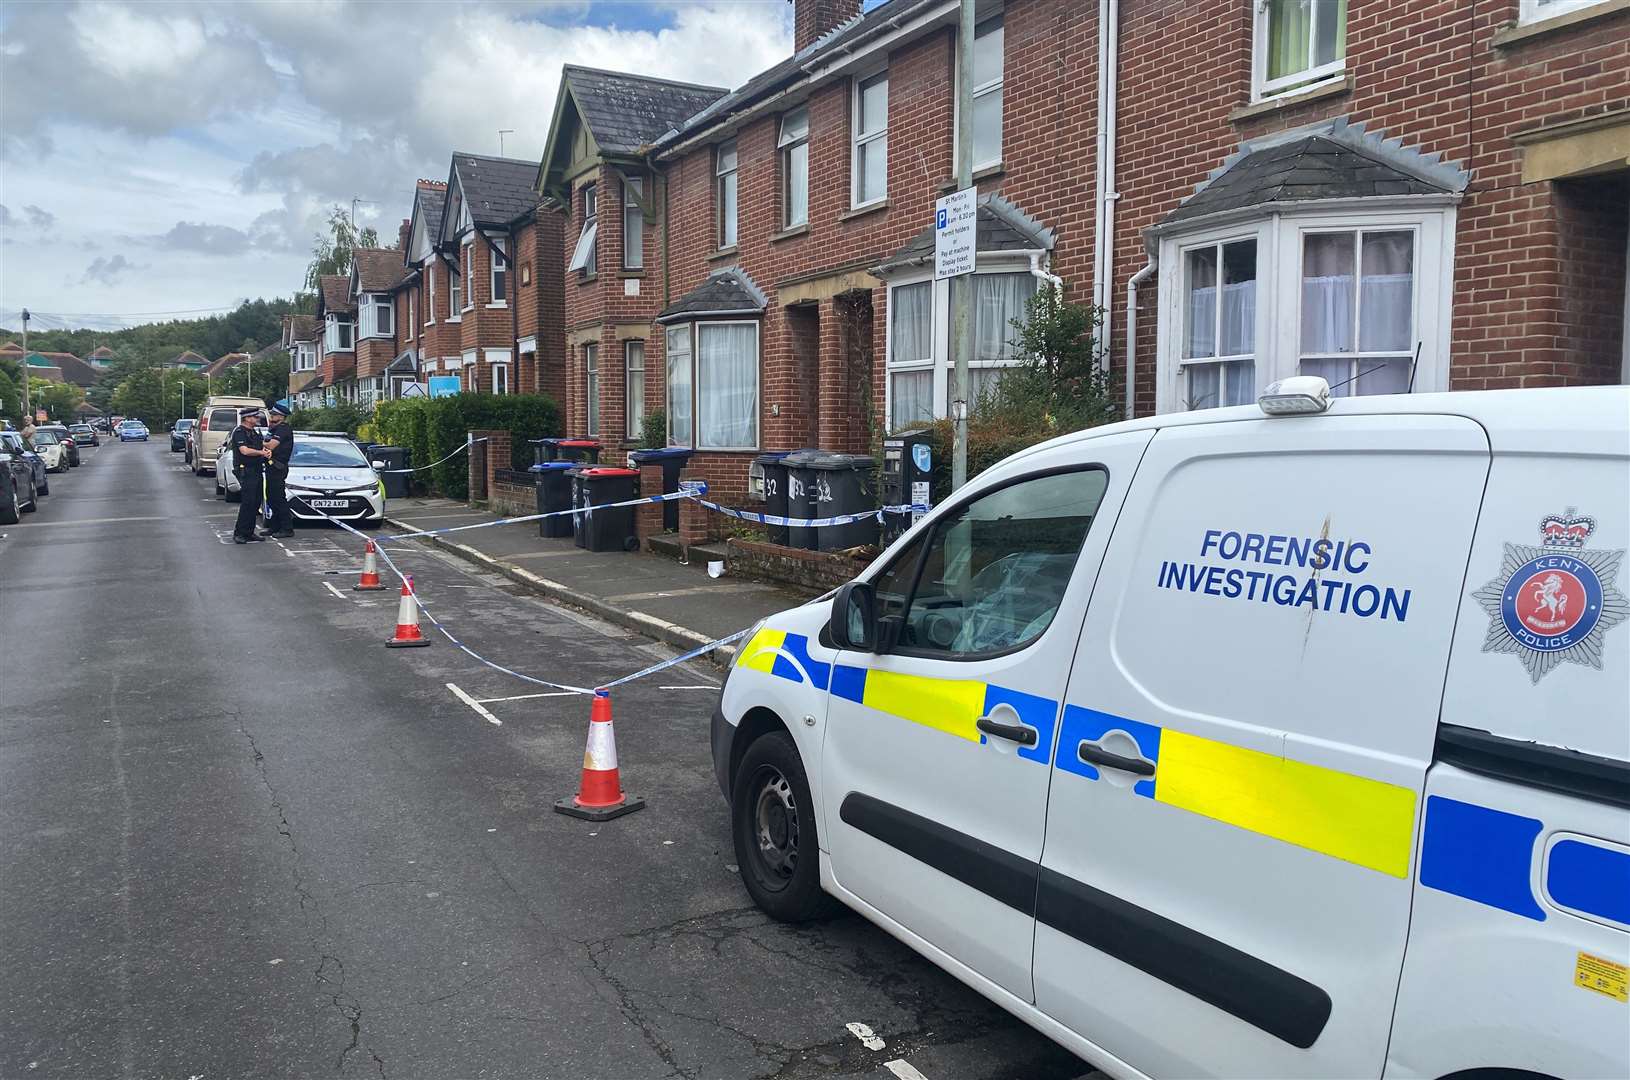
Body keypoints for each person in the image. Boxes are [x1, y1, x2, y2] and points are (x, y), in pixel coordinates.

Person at [228, 407, 270, 544]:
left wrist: (266, 452)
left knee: (256, 502)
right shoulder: (239, 432)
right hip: (245, 470)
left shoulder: (254, 432)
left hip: (256, 469)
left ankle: (249, 532)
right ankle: (239, 533)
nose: (258, 419)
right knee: (248, 502)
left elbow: (260, 447)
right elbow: (244, 451)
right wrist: (261, 453)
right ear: (247, 418)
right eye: (255, 417)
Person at [259, 400, 294, 539]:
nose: (271, 416)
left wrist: (256, 442)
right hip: (271, 466)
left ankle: (287, 528)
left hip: (278, 467)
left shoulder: (283, 429)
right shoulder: (273, 429)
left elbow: (271, 446)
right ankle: (274, 526)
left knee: (278, 498)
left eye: (274, 414)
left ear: (281, 417)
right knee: (271, 498)